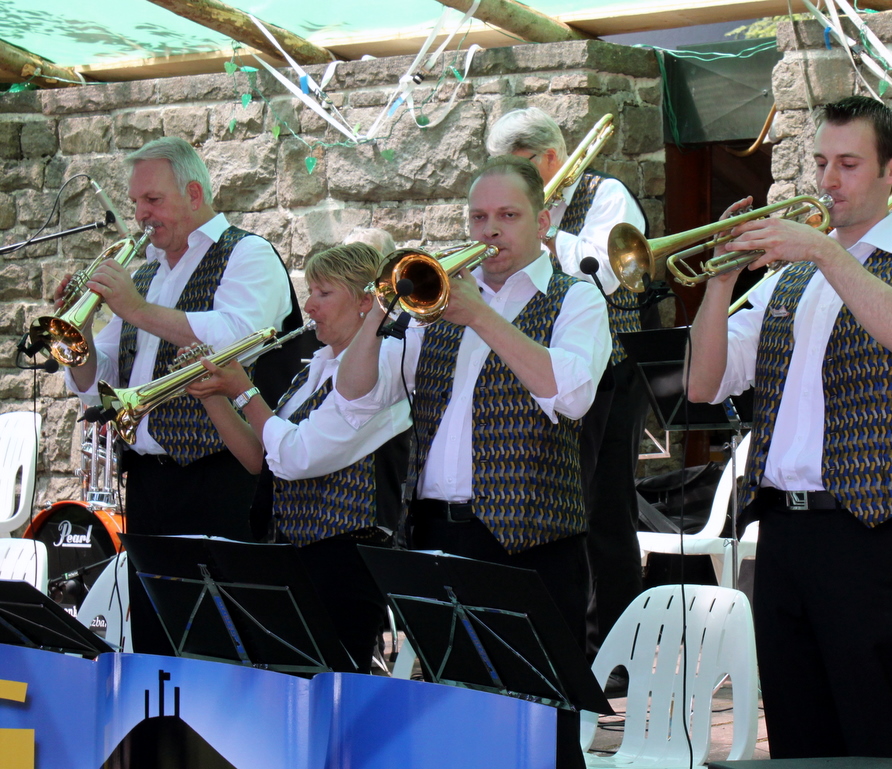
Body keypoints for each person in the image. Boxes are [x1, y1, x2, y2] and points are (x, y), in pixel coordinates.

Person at [686, 96, 892, 760]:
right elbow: (703, 383)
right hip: (784, 534)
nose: (827, 180)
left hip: (868, 531)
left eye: (848, 163)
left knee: (885, 736)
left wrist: (822, 250)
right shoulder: (789, 276)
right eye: (820, 163)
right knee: (798, 737)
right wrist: (719, 284)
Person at [334, 155, 611, 650]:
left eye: (508, 215)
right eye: (479, 217)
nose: (490, 230)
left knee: (537, 697)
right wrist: (377, 311)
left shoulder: (576, 299)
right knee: (449, 693)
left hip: (532, 543)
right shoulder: (435, 306)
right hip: (435, 534)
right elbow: (355, 395)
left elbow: (570, 396)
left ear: (542, 222)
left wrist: (481, 316)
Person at [60, 136, 293, 651]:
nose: (140, 214)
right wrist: (78, 333)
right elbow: (98, 386)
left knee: (222, 643)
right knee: (155, 640)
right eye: (136, 201)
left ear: (193, 193)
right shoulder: (146, 274)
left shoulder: (248, 253)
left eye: (153, 200)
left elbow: (236, 337)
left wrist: (137, 309)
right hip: (149, 484)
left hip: (221, 478)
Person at [186, 243, 411, 673]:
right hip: (293, 555)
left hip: (344, 562)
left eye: (323, 293)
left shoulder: (381, 372)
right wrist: (212, 394)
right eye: (310, 292)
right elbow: (261, 459)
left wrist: (243, 390)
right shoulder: (316, 367)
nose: (309, 306)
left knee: (329, 689)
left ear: (366, 302)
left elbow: (297, 456)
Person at [487, 107, 652, 656]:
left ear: (552, 158)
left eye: (519, 165)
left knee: (605, 509)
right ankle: (561, 641)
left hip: (609, 371)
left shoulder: (606, 196)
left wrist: (546, 232)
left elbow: (611, 274)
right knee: (556, 503)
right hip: (545, 370)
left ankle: (617, 651)